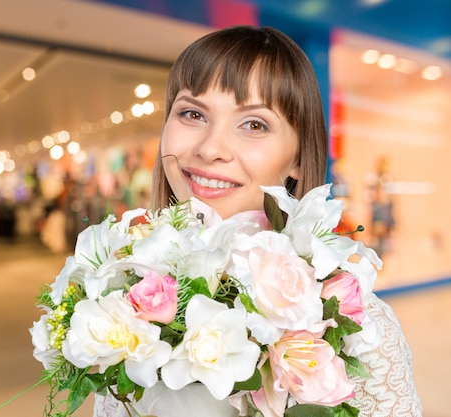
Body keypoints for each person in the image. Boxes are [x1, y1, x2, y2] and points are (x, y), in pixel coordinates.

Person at [93, 25, 421, 417]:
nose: (210, 148)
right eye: (192, 113)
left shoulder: (360, 330)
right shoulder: (124, 305)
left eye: (254, 124)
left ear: (299, 156)